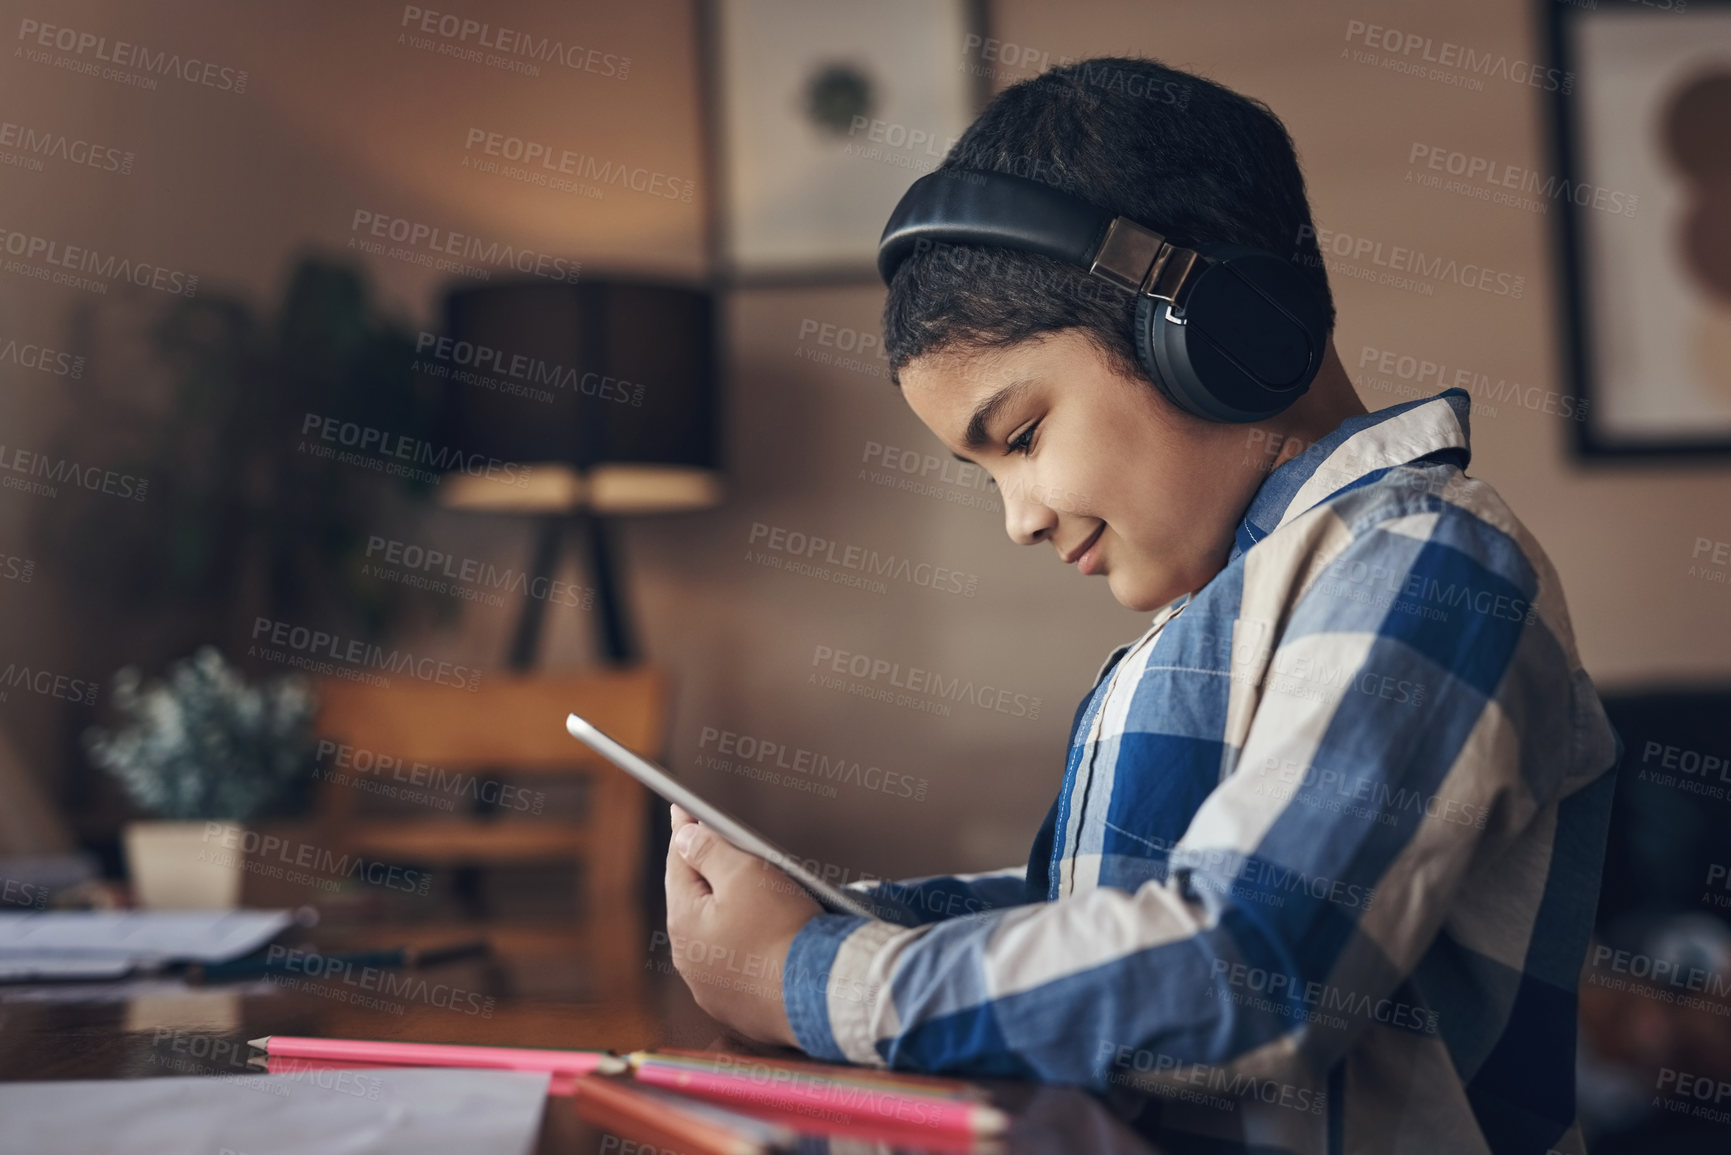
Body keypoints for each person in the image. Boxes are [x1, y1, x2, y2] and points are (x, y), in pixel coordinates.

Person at [663, 56, 1622, 1155]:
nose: (1018, 518)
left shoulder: (1431, 565)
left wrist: (806, 977)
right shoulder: (1218, 615)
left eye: (1019, 437)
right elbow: (1094, 923)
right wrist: (837, 922)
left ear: (1218, 328)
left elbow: (1247, 968)